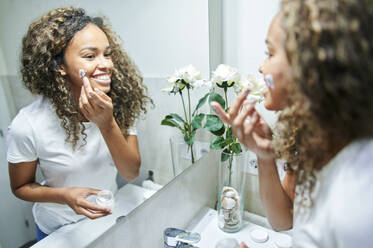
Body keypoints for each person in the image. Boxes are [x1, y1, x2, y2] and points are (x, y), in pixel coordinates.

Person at [212, 0, 373, 247]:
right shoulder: (314, 140)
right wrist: (264, 154)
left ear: (309, 67)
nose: (261, 66)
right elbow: (284, 219)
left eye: (270, 53)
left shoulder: (360, 199)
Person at [6, 7, 151, 241]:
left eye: (107, 53)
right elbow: (20, 187)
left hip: (106, 218)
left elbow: (131, 172)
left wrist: (107, 123)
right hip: (58, 230)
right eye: (90, 56)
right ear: (60, 66)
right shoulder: (28, 124)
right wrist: (65, 196)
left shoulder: (119, 104)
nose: (106, 64)